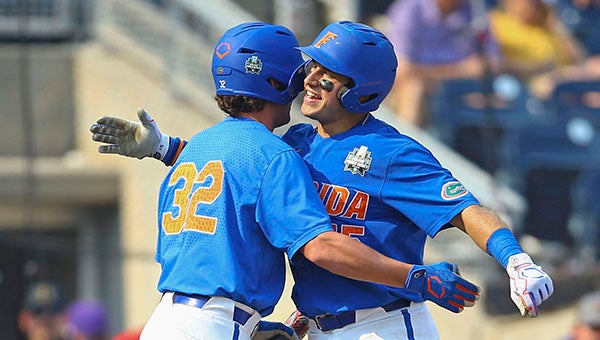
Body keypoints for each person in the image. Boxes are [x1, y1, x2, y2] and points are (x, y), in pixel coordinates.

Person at [90, 21, 552, 339]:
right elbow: (239, 170)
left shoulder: (394, 153)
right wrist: (166, 149)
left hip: (383, 323)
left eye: (328, 73)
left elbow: (465, 210)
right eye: (311, 65)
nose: (311, 77)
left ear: (362, 88)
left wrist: (516, 260)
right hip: (316, 325)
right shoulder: (294, 143)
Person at [385, 0, 501, 127]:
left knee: (505, 92)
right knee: (414, 89)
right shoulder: (409, 9)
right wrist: (460, 70)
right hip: (422, 88)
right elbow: (401, 70)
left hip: (462, 87)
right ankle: (408, 143)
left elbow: (493, 62)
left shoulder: (475, 9)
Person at [488, 0, 586, 97]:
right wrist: (539, 67)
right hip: (524, 88)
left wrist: (557, 27)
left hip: (563, 80)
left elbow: (580, 60)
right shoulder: (495, 21)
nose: (534, 4)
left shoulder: (547, 25)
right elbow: (495, 64)